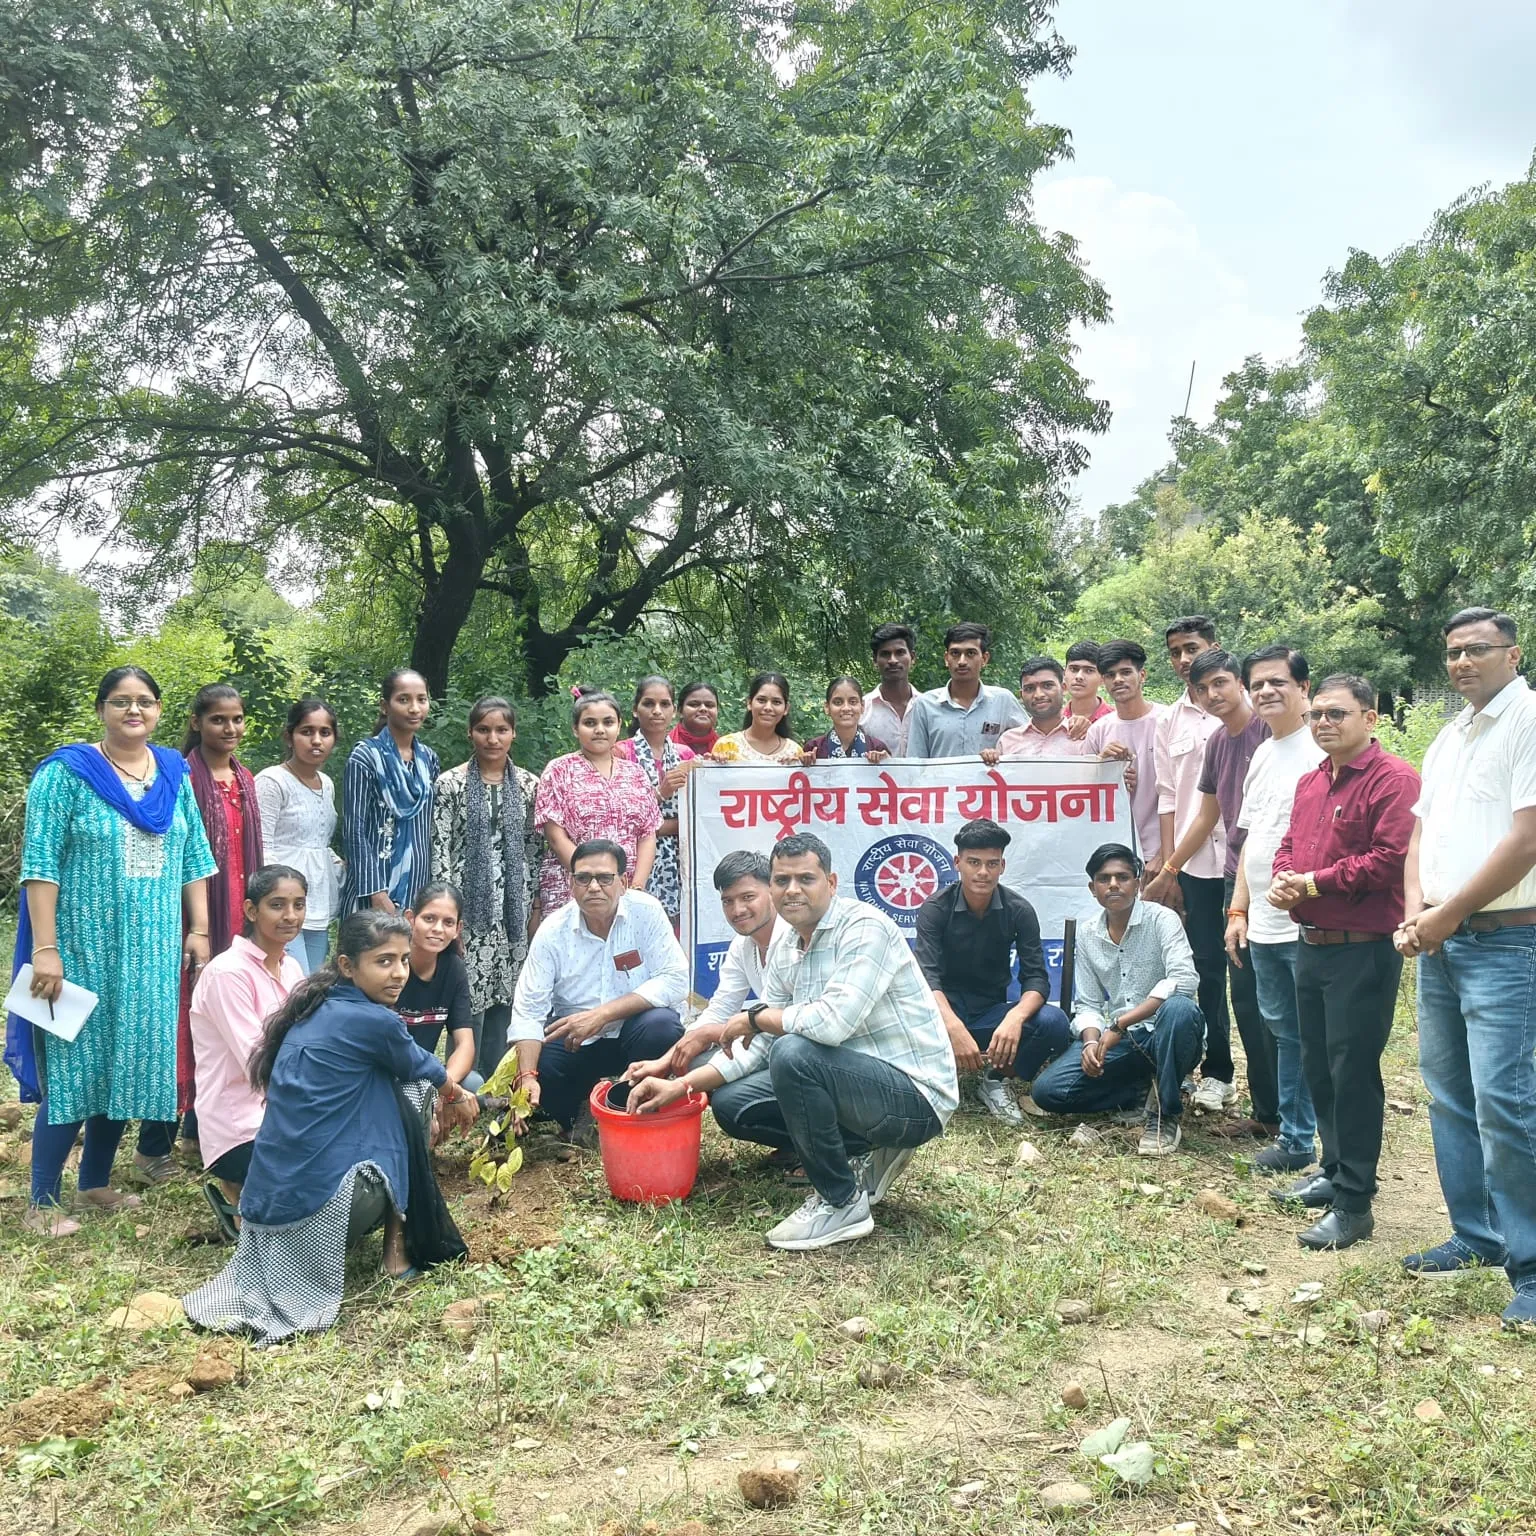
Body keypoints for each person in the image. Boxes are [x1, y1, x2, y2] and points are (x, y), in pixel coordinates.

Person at [629, 833, 958, 1251]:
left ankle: (840, 1202)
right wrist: (682, 1085)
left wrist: (753, 1017)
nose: (793, 890)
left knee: (795, 1052)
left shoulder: (865, 929)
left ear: (832, 882)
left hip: (916, 1097)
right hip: (856, 1081)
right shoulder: (787, 944)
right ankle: (864, 1151)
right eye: (782, 880)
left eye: (806, 878)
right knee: (731, 1103)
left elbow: (830, 1025)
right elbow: (764, 1040)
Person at [182, 911, 478, 1345]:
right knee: (414, 1091)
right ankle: (395, 1255)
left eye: (401, 960)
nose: (398, 973)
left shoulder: (312, 1008)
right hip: (328, 1207)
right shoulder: (377, 1021)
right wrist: (460, 1098)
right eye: (383, 962)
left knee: (385, 1084)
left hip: (266, 1206)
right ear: (346, 966)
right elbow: (431, 1073)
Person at [11, 666, 215, 1237]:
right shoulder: (65, 774)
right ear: (102, 708)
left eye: (145, 702)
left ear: (157, 711)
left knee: (127, 1061)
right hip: (79, 946)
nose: (134, 711)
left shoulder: (173, 773)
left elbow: (194, 858)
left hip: (152, 947)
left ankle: (94, 1182)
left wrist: (197, 930)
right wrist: (45, 950)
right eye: (122, 702)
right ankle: (42, 1201)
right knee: (73, 1062)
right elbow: (40, 865)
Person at [1395, 608, 1536, 1328]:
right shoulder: (1451, 736)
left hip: (1507, 942)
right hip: (1442, 940)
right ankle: (1475, 1235)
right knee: (1448, 1095)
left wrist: (1447, 916)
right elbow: (1421, 833)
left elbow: (1526, 840)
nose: (1461, 662)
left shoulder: (1528, 720)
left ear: (1513, 654)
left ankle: (1534, 1269)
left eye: (1476, 650)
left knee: (1506, 1104)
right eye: (1452, 652)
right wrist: (1421, 910)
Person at [1268, 674, 1419, 1251]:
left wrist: (1311, 883)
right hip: (1312, 944)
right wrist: (1287, 877)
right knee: (1320, 1067)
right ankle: (1334, 1172)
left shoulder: (1394, 780)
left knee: (1353, 1072)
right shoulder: (1312, 782)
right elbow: (1290, 844)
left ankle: (1356, 1203)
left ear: (1371, 717)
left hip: (1363, 949)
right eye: (1318, 715)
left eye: (1338, 713)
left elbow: (1390, 860)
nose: (1324, 723)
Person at [137, 682, 267, 1180]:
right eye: (218, 719)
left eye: (236, 719)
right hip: (190, 923)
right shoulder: (177, 778)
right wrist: (195, 924)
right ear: (196, 722)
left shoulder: (245, 779)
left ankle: (200, 1135)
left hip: (238, 919)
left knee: (222, 1027)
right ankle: (153, 1146)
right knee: (180, 1027)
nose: (229, 729)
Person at [1145, 649, 1277, 1137]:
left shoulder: (1273, 731)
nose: (1213, 694)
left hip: (1277, 880)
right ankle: (1268, 1112)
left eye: (1221, 683)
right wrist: (1171, 869)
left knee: (1271, 997)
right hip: (1231, 876)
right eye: (1203, 688)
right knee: (1241, 992)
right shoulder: (1220, 742)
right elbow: (1205, 815)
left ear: (1240, 683)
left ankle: (1287, 1112)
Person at [1030, 844, 1205, 1156]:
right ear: (1092, 888)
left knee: (1179, 1008)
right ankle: (1139, 1090)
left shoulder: (1162, 919)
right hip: (1127, 1044)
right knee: (1048, 1093)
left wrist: (1121, 1023)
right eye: (1104, 878)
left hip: (1169, 1035)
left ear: (1137, 883)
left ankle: (1165, 1114)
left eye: (1122, 877)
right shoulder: (1088, 934)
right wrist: (1089, 1043)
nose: (1113, 885)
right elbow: (1088, 1003)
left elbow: (1184, 979)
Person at [506, 840, 687, 1134]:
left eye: (605, 878)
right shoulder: (552, 931)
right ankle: (578, 1113)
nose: (593, 887)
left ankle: (633, 1109)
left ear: (624, 882)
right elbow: (528, 1009)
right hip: (576, 1041)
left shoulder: (647, 913)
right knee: (542, 1065)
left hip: (635, 1034)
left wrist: (602, 1015)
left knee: (662, 1026)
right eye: (583, 878)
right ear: (570, 883)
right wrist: (527, 1076)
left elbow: (675, 979)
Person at [1224, 646, 1320, 1175]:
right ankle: (1295, 1136)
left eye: (1277, 682)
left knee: (1310, 1032)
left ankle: (1312, 1136)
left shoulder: (1320, 748)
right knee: (1282, 1027)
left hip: (1306, 920)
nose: (1265, 692)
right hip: (1261, 919)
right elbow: (1253, 838)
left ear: (1304, 687)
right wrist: (1238, 909)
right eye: (1257, 684)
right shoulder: (1262, 752)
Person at [913, 820, 1072, 1125]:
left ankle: (996, 1079)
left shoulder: (1019, 910)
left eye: (991, 863)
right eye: (974, 863)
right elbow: (926, 977)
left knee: (1055, 1024)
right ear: (957, 863)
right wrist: (953, 1027)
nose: (982, 872)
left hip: (989, 1014)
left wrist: (1014, 1019)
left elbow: (1037, 978)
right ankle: (930, 1080)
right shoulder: (935, 908)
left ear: (1003, 866)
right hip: (938, 1016)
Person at [191, 866, 308, 1242]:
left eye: (298, 904)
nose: (290, 915)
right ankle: (239, 1199)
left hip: (289, 1112)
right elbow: (259, 1064)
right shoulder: (228, 974)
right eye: (277, 905)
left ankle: (251, 1204)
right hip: (241, 1127)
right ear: (251, 910)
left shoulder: (291, 968)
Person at [431, 695, 541, 1077]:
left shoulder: (529, 785)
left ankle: (497, 1078)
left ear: (513, 734)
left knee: (507, 988)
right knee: (470, 987)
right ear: (470, 733)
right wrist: (447, 913)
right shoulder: (451, 783)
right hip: (467, 898)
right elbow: (440, 845)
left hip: (515, 898)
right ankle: (462, 1079)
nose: (492, 738)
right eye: (483, 729)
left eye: (501, 730)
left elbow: (534, 846)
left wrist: (536, 905)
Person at [624, 851, 791, 1102]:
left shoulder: (793, 938)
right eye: (728, 901)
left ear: (772, 891)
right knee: (691, 1061)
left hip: (798, 1052)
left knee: (728, 1099)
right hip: (765, 1042)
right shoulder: (742, 946)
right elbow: (720, 1009)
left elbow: (777, 1027)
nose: (738, 910)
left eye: (748, 897)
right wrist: (663, 1062)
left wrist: (712, 1035)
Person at [1153, 616, 1232, 1110]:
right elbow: (1167, 798)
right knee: (1205, 968)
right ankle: (1217, 1070)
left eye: (1192, 648)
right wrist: (1170, 870)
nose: (1184, 659)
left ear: (1214, 647)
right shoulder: (1169, 720)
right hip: (1195, 865)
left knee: (1255, 971)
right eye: (1176, 652)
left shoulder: (1241, 712)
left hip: (1245, 862)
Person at [535, 687, 659, 915]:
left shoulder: (636, 774)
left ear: (619, 726)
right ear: (575, 728)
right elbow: (555, 836)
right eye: (590, 723)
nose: (600, 730)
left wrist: (635, 888)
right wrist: (593, 880)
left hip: (626, 891)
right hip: (573, 888)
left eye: (608, 722)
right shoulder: (559, 770)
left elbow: (647, 834)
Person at [339, 669, 440, 917]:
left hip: (418, 884)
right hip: (374, 886)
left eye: (422, 699)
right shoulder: (365, 756)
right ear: (385, 706)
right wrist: (376, 892)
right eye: (403, 700)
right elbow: (355, 830)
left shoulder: (429, 760)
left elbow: (431, 826)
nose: (414, 708)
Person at [255, 698, 341, 975]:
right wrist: (281, 896)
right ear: (289, 736)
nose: (316, 740)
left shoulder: (326, 784)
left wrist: (338, 864)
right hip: (283, 903)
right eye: (307, 732)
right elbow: (262, 846)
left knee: (312, 986)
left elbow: (319, 839)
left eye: (324, 733)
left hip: (316, 901)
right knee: (291, 986)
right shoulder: (272, 782)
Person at [618, 677, 699, 926]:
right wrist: (661, 793)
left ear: (674, 711)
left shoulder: (685, 755)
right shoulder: (621, 753)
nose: (657, 711)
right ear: (635, 709)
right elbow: (621, 818)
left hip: (680, 860)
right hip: (635, 860)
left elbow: (699, 813)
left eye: (665, 704)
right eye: (648, 703)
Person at [396, 882, 482, 1093]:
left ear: (457, 929)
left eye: (448, 922)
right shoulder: (393, 964)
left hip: (425, 1075)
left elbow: (465, 1044)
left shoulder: (453, 968)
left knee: (473, 1084)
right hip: (386, 1072)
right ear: (410, 918)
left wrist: (445, 1086)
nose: (437, 929)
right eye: (429, 919)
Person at [1085, 641, 1166, 861]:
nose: (1118, 680)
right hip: (1114, 851)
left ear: (1142, 675)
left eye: (1126, 672)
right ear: (1103, 681)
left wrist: (1166, 856)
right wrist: (1104, 767)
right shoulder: (1098, 731)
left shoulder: (1167, 721)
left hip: (1165, 849)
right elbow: (1083, 795)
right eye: (1110, 675)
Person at [907, 623, 1026, 758]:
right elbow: (915, 761)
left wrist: (1000, 753)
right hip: (939, 779)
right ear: (946, 659)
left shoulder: (1003, 701)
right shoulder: (925, 704)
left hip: (989, 779)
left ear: (984, 659)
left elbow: (1029, 743)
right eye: (955, 653)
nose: (962, 661)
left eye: (970, 653)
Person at [989, 656, 1093, 759]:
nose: (1038, 695)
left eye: (1047, 686)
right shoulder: (1008, 741)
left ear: (1064, 688)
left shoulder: (1084, 737)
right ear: (1022, 695)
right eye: (1030, 688)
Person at [713, 672, 803, 763]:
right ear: (749, 703)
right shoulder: (726, 746)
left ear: (786, 708)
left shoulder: (795, 752)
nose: (768, 707)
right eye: (761, 700)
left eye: (776, 702)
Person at [862, 623, 919, 755]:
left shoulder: (928, 707)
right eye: (885, 654)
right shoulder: (862, 710)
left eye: (900, 653)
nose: (893, 660)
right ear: (875, 661)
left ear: (912, 657)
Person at [802, 677, 891, 761]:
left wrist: (887, 762)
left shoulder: (877, 748)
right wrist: (804, 762)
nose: (846, 708)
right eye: (838, 702)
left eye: (853, 702)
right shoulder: (814, 749)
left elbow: (892, 774)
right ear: (827, 707)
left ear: (862, 706)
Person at [1063, 641, 1112, 739]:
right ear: (1064, 673)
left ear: (1103, 678)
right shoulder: (1054, 720)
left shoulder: (1114, 720)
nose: (1079, 676)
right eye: (1074, 669)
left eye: (1089, 670)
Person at [671, 681, 721, 756]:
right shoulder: (663, 747)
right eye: (694, 704)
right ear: (680, 710)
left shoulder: (725, 748)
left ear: (717, 711)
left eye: (709, 705)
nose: (703, 708)